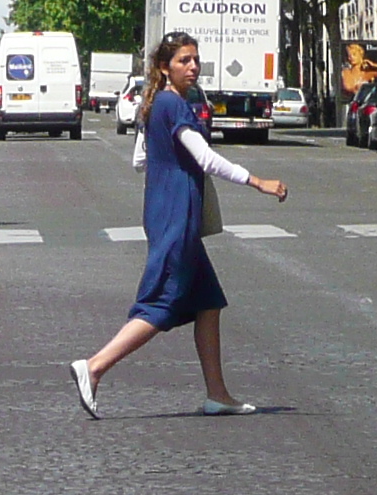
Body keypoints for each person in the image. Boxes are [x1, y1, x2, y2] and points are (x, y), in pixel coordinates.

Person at [70, 32, 288, 419]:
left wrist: (166, 168)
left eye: (195, 60)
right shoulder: (174, 104)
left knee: (208, 302)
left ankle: (217, 394)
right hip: (176, 216)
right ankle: (95, 367)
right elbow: (205, 158)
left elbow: (139, 159)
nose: (193, 67)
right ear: (164, 67)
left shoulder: (156, 104)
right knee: (161, 303)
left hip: (164, 209)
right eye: (184, 60)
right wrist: (258, 182)